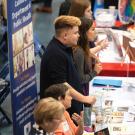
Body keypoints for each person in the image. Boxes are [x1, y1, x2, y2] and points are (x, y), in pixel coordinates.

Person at [40, 15, 96, 115]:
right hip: (60, 113)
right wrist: (84, 98)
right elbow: (63, 85)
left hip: (72, 108)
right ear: (65, 35)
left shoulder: (65, 47)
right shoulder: (55, 54)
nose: (79, 35)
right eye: (75, 33)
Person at [73, 17, 102, 95]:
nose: (95, 32)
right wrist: (95, 72)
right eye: (92, 29)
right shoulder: (79, 52)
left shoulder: (83, 48)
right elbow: (80, 79)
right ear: (84, 32)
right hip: (78, 94)